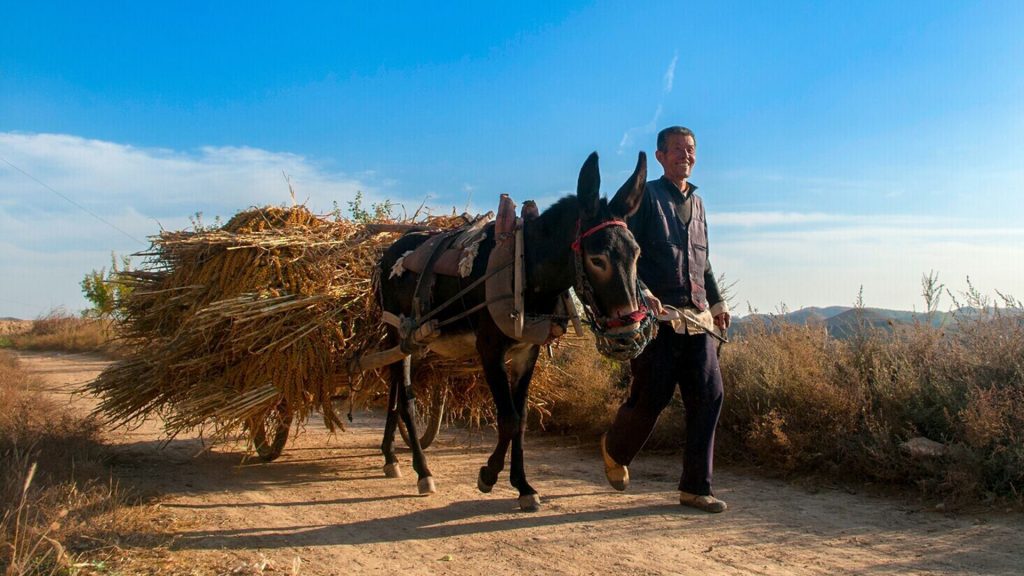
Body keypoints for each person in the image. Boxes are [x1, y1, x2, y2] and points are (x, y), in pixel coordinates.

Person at [601, 125, 731, 513]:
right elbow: (626, 254)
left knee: (709, 396)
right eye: (677, 149)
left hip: (697, 316)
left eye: (690, 149)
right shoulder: (647, 198)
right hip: (657, 319)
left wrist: (718, 303)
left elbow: (702, 261)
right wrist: (643, 293)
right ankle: (614, 449)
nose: (685, 156)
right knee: (650, 399)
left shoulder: (700, 202)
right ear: (660, 156)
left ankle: (696, 487)